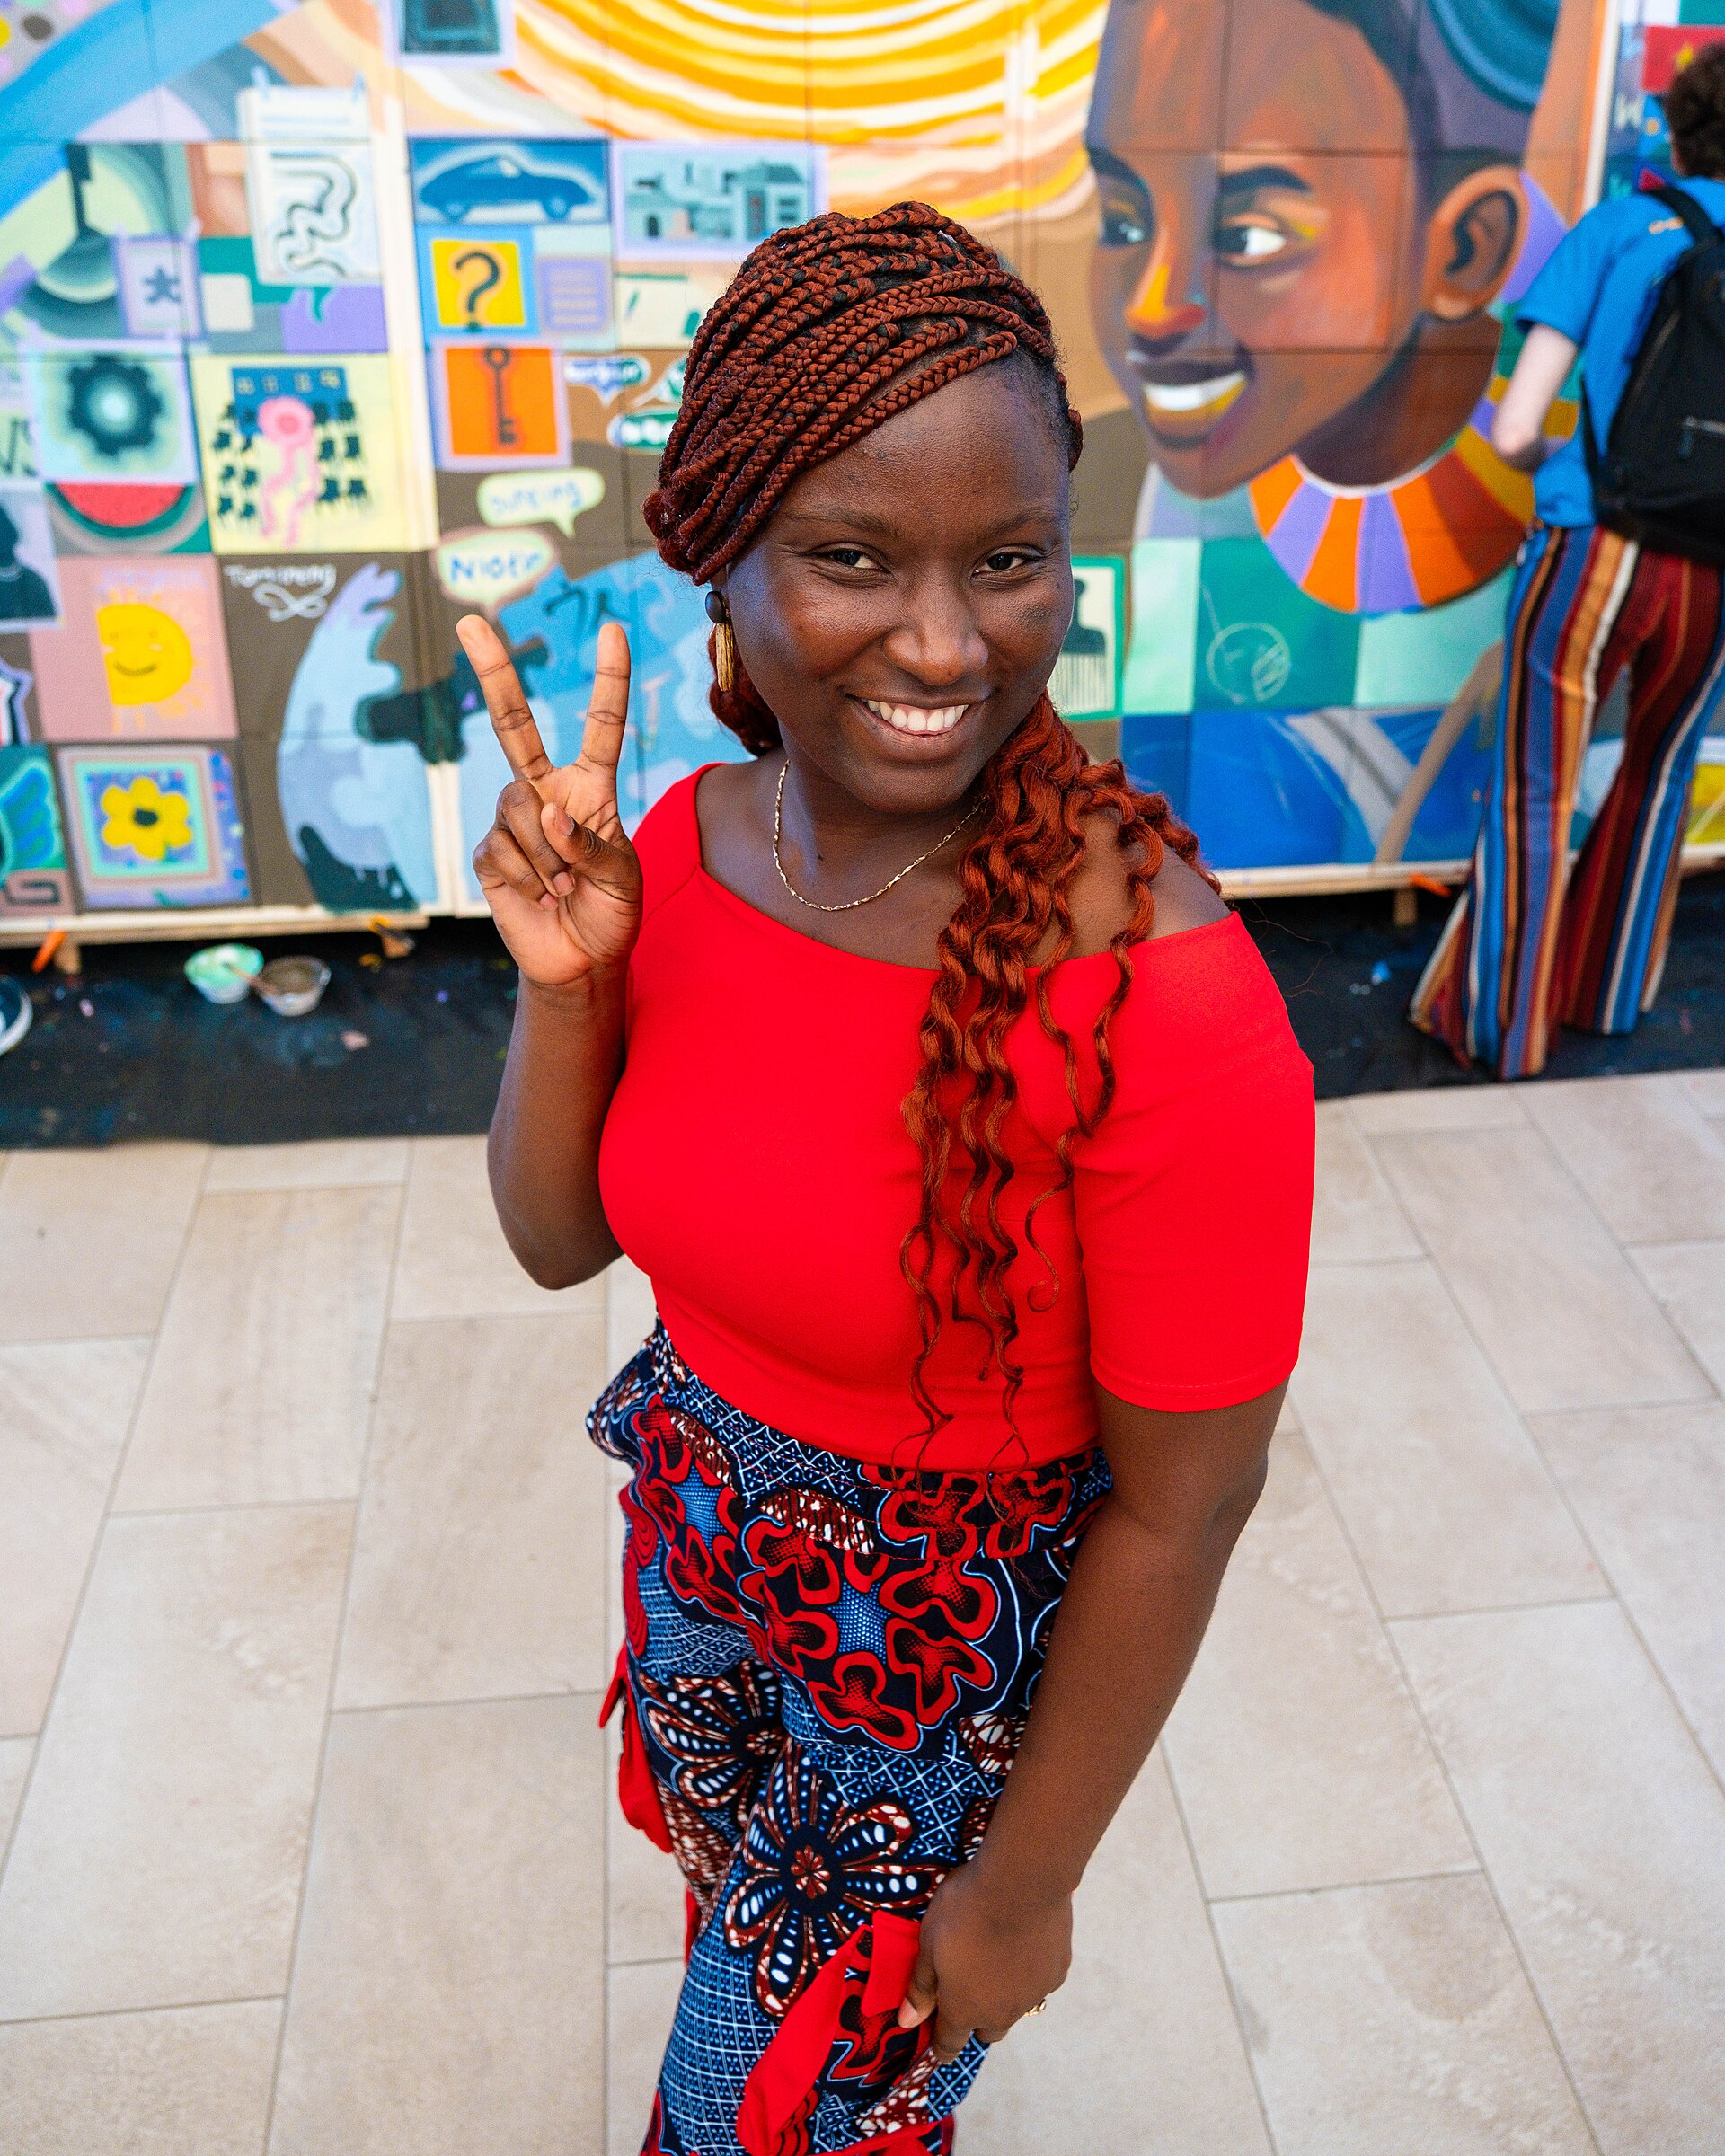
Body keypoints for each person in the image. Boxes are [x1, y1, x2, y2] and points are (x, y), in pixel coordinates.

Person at [461, 204, 1314, 2156]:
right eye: (854, 558)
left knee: (753, 2125)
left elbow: (1190, 1509)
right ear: (728, 560)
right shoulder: (688, 836)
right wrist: (572, 989)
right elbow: (555, 1238)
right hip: (707, 1587)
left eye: (1010, 561)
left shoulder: (1164, 998)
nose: (947, 642)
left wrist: (1022, 1893)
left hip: (936, 1708)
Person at [1411, 44, 1725, 1077]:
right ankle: (1610, 1000)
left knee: (1533, 791)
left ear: (1674, 130)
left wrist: (1559, 461)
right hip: (1715, 570)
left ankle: (1506, 1033)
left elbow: (1512, 429)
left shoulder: (1621, 230)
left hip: (1594, 552)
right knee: (1661, 776)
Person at [1084, 0, 1562, 611]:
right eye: (1123, 222)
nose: (1150, 310)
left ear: (1467, 249)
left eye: (1246, 237)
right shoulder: (1168, 488)